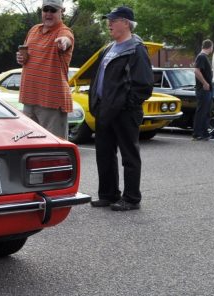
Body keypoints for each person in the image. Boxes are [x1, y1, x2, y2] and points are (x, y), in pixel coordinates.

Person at [87, 6, 152, 211]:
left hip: (124, 112)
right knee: (104, 154)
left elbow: (144, 85)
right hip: (104, 110)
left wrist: (125, 105)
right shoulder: (109, 48)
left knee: (129, 155)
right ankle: (108, 194)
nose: (109, 24)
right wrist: (98, 104)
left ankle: (132, 198)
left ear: (125, 22)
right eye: (109, 20)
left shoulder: (136, 49)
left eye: (113, 20)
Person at [15, 0, 74, 139]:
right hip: (29, 99)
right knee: (31, 148)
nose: (48, 13)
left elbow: (67, 40)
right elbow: (26, 56)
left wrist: (64, 43)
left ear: (61, 12)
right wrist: (21, 58)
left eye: (53, 10)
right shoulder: (34, 30)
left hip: (51, 103)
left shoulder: (64, 31)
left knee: (54, 150)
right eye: (45, 9)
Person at [192, 39, 213, 140]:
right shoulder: (201, 57)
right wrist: (205, 83)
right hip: (203, 89)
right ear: (211, 47)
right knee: (202, 112)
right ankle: (197, 134)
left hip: (207, 89)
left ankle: (205, 133)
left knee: (206, 112)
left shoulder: (203, 57)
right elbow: (196, 70)